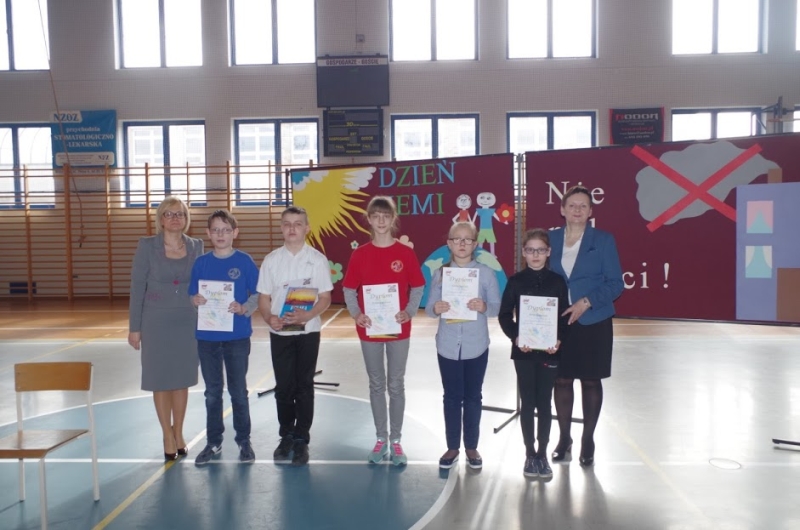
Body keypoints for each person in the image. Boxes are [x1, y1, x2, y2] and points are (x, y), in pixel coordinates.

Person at [342, 196, 425, 466]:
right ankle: (381, 438)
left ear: (393, 219)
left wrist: (409, 311)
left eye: (385, 216)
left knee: (396, 384)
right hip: (370, 330)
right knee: (376, 384)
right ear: (368, 219)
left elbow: (418, 286)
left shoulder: (405, 253)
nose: (380, 221)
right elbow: (348, 289)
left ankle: (397, 440)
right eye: (375, 216)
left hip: (399, 330)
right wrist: (357, 314)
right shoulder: (360, 254)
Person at [548, 185, 624, 467]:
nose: (577, 210)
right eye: (572, 205)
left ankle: (588, 439)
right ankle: (564, 438)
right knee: (561, 380)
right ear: (562, 210)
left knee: (591, 380)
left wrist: (586, 302)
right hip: (559, 321)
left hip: (594, 320)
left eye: (583, 206)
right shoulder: (549, 239)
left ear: (591, 211)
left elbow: (615, 283)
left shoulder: (603, 240)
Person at [128, 196, 204, 460]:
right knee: (160, 379)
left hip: (187, 320)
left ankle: (179, 432)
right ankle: (166, 434)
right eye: (169, 214)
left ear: (186, 219)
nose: (174, 218)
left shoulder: (196, 246)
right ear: (160, 219)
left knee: (181, 379)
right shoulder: (147, 246)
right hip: (155, 321)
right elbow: (137, 287)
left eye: (179, 214)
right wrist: (134, 327)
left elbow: (202, 282)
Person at [257, 206, 333, 466]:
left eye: (298, 223)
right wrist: (269, 317)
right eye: (287, 224)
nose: (292, 228)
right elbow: (264, 298)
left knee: (304, 387)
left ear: (306, 228)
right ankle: (286, 434)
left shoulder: (318, 260)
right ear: (281, 228)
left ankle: (302, 439)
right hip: (280, 333)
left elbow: (325, 298)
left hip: (308, 332)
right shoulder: (271, 260)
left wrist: (307, 315)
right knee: (283, 387)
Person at [425, 221, 500, 470]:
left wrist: (484, 306)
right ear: (449, 243)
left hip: (476, 345)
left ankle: (471, 446)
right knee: (451, 397)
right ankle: (452, 447)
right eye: (457, 239)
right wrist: (436, 308)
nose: (462, 244)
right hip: (447, 345)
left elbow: (497, 307)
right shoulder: (440, 274)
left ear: (475, 244)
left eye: (468, 239)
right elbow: (429, 309)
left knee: (473, 397)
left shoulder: (486, 273)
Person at [188, 210, 260, 465]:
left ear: (234, 233)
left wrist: (244, 308)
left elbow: (258, 294)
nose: (220, 234)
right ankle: (213, 442)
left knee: (238, 392)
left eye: (226, 230)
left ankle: (244, 440)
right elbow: (192, 295)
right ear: (208, 234)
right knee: (212, 393)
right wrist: (195, 300)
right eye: (215, 230)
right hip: (207, 338)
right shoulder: (201, 263)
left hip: (237, 337)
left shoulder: (244, 261)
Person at [498, 228, 570, 478]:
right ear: (523, 252)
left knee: (545, 403)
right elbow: (504, 315)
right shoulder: (515, 281)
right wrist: (516, 337)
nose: (535, 254)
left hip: (549, 353)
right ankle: (529, 454)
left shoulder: (557, 282)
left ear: (548, 252)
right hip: (524, 353)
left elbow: (564, 316)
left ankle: (542, 453)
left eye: (540, 250)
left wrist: (558, 339)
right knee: (528, 403)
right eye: (531, 250)